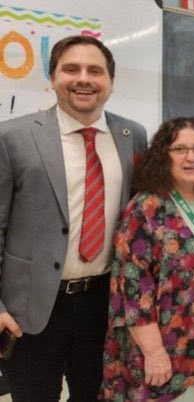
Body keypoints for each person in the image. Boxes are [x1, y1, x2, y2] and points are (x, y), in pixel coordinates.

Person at [0, 35, 147, 401]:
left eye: (95, 71)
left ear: (110, 83)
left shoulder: (133, 136)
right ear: (52, 78)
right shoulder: (12, 137)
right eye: (71, 69)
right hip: (30, 311)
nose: (84, 78)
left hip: (104, 307)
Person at [100, 117, 194, 401]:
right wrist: (154, 353)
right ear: (162, 156)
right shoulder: (145, 209)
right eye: (179, 149)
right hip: (166, 343)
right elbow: (131, 292)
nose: (191, 157)